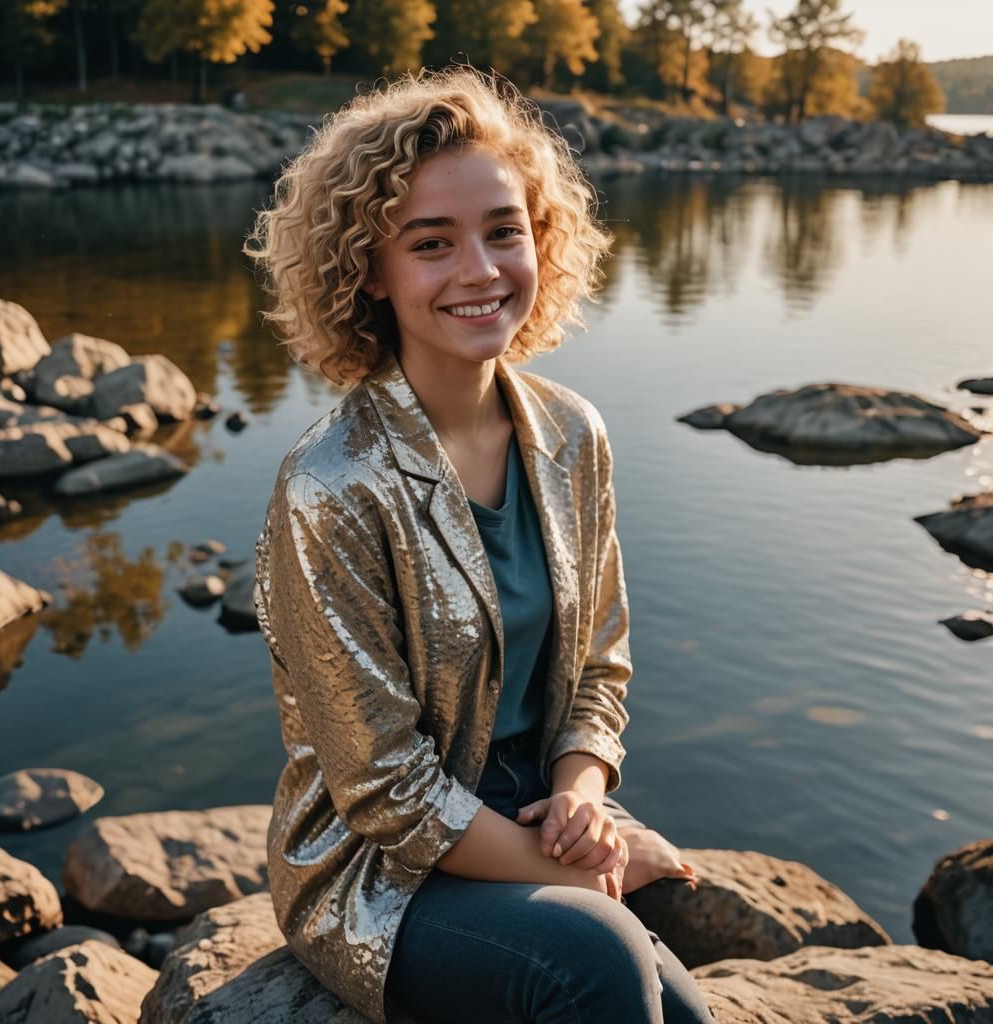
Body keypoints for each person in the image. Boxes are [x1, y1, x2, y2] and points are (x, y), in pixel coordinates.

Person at [246, 66, 715, 1024]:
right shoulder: (330, 485)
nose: (480, 269)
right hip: (376, 871)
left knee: (685, 1016)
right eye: (431, 244)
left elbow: (598, 664)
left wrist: (583, 792)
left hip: (533, 809)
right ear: (367, 270)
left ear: (541, 237)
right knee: (600, 965)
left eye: (504, 230)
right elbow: (384, 790)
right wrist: (598, 861)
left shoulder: (574, 433)